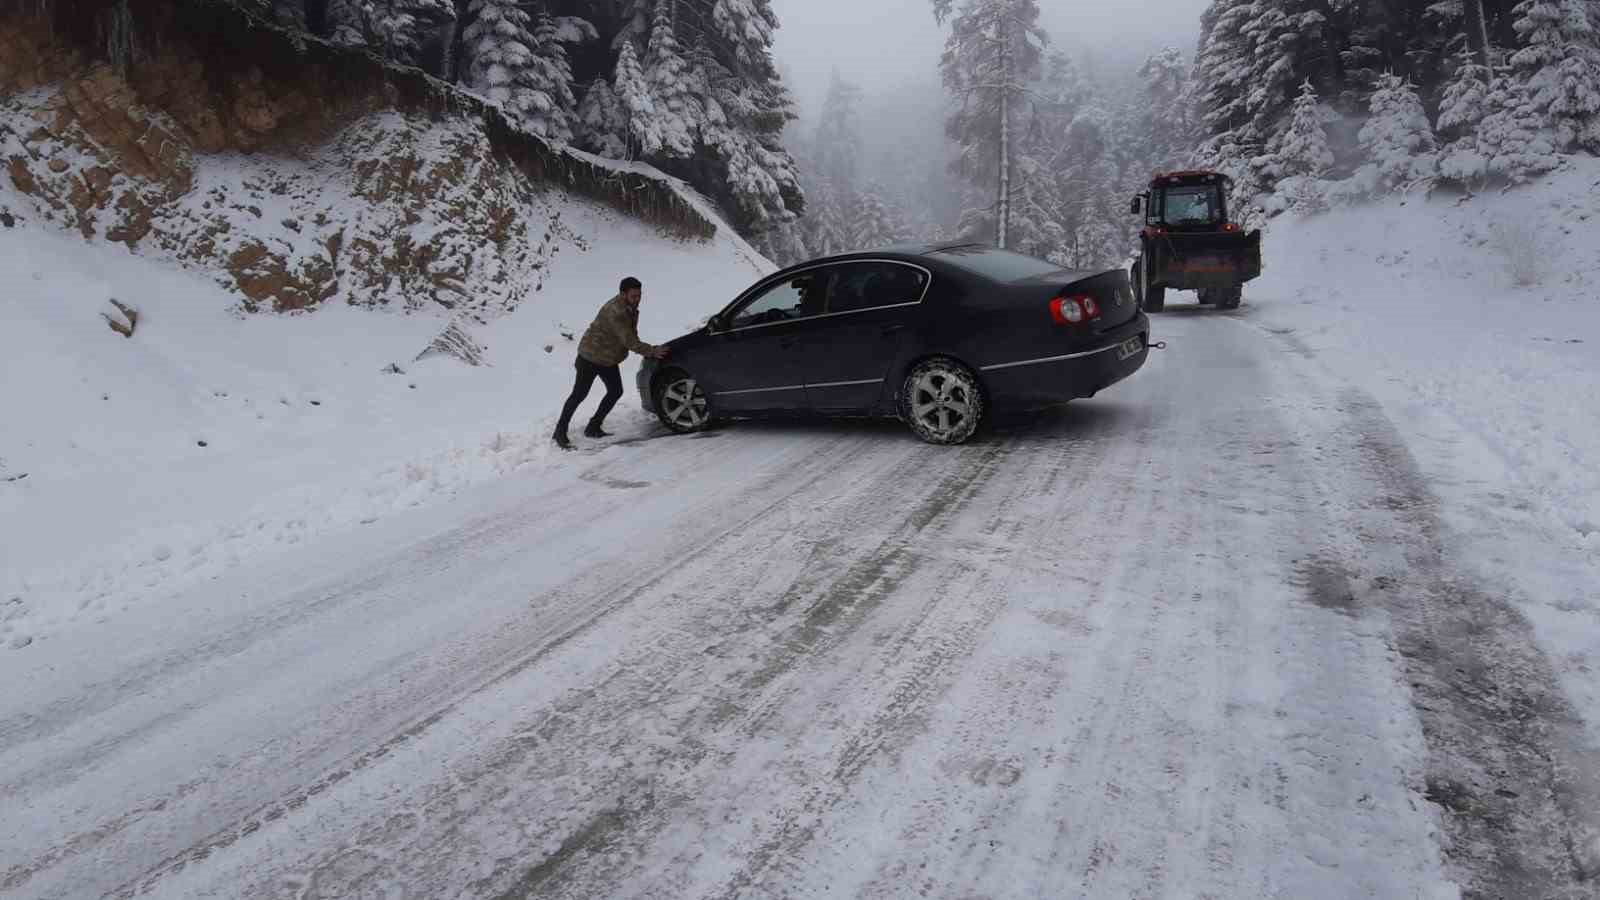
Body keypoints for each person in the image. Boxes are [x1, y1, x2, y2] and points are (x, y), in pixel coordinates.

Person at [553, 276, 669, 449]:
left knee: (615, 391)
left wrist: (646, 349)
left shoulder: (629, 307)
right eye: (633, 296)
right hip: (590, 357)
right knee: (579, 394)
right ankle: (559, 431)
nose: (637, 299)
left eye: (639, 295)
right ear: (623, 294)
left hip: (607, 358)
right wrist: (651, 350)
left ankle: (593, 427)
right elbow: (628, 340)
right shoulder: (616, 312)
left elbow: (631, 335)